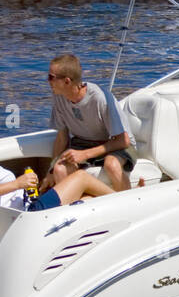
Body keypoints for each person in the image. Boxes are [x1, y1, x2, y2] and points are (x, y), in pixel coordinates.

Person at [0, 106, 112, 210]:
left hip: (19, 210)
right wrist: (19, 183)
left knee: (88, 198)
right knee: (82, 177)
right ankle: (129, 200)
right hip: (31, 212)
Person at [48, 53, 134, 192]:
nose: (48, 81)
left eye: (51, 77)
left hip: (115, 145)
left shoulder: (100, 99)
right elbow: (61, 138)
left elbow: (123, 141)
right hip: (83, 143)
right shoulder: (59, 97)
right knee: (59, 169)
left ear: (67, 81)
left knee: (111, 165)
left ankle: (127, 202)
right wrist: (50, 171)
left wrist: (85, 154)